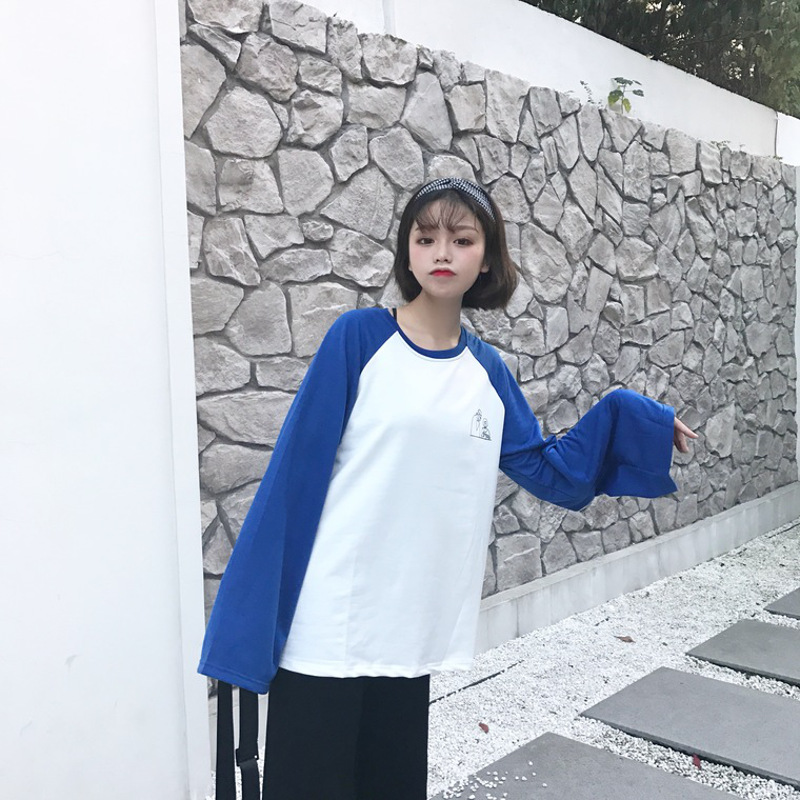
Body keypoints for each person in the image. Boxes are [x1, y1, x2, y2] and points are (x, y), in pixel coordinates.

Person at [199, 177, 697, 800]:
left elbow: (552, 471)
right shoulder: (359, 340)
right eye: (425, 238)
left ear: (485, 259)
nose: (442, 252)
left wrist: (630, 414)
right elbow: (294, 477)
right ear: (407, 254)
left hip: (413, 632)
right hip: (330, 628)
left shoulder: (486, 371)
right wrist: (246, 623)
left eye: (461, 240)